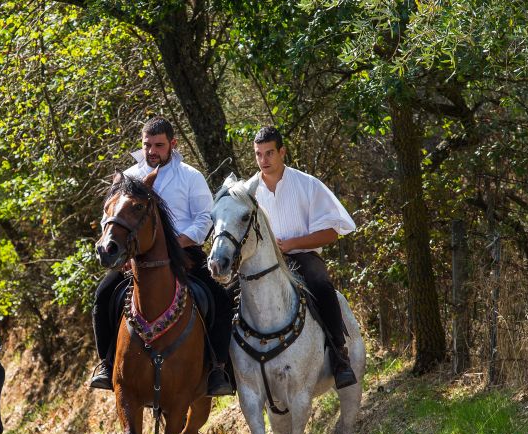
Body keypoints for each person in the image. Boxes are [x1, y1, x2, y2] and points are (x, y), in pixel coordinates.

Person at [90, 116, 234, 395]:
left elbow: (205, 218)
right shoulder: (128, 177)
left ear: (173, 144)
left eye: (159, 145)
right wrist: (119, 251)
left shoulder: (190, 176)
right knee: (103, 297)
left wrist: (176, 244)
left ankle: (218, 370)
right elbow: (108, 216)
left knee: (220, 299)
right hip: (134, 257)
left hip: (185, 252)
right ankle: (107, 364)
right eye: (147, 145)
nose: (152, 151)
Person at [251, 126, 358, 388]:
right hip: (263, 264)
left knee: (321, 284)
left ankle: (339, 355)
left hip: (302, 257)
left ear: (283, 152)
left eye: (269, 153)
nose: (264, 161)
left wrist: (291, 244)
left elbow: (332, 233)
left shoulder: (307, 184)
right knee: (230, 292)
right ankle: (231, 367)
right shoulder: (248, 191)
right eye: (258, 155)